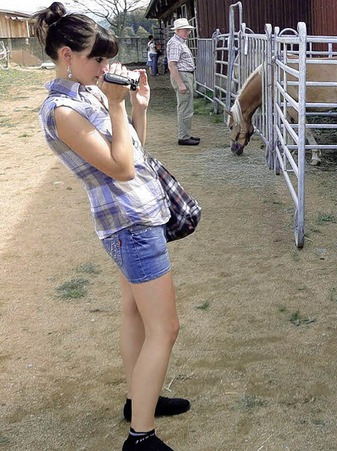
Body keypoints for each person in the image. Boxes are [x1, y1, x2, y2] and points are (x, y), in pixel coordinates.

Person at [32, 3, 190, 450]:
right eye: (96, 59)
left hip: (136, 216)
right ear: (67, 55)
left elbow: (134, 151)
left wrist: (136, 107)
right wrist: (117, 107)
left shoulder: (86, 94)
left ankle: (140, 400)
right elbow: (120, 170)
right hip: (130, 223)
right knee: (166, 327)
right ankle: (141, 437)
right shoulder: (62, 110)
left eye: (105, 59)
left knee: (135, 313)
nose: (104, 67)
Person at [166, 18, 200, 146]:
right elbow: (172, 65)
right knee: (185, 107)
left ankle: (186, 134)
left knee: (186, 106)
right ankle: (184, 137)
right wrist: (180, 83)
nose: (188, 32)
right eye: (186, 30)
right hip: (182, 75)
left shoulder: (179, 42)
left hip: (186, 75)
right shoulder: (175, 43)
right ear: (178, 30)